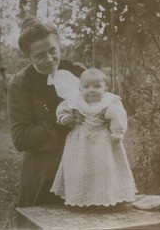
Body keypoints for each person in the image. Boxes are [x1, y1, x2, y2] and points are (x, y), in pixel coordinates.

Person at [7, 15, 84, 228]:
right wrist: (61, 122)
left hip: (83, 171)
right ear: (28, 55)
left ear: (59, 45)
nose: (49, 59)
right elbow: (20, 138)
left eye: (53, 50)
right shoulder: (21, 83)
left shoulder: (77, 71)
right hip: (45, 177)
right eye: (40, 55)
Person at [50, 68, 136, 207]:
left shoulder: (108, 101)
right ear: (80, 88)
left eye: (97, 86)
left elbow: (117, 115)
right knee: (79, 168)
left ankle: (106, 197)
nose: (92, 90)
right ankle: (80, 198)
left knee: (104, 168)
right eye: (86, 86)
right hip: (80, 140)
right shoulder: (75, 100)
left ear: (105, 88)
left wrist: (117, 132)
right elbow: (63, 108)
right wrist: (65, 117)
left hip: (102, 139)